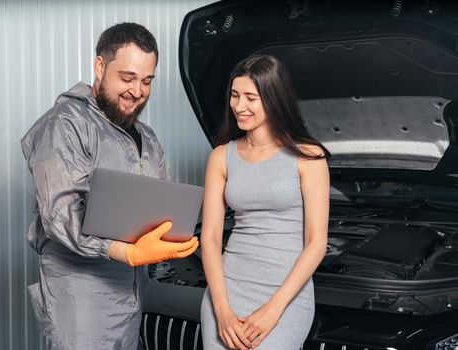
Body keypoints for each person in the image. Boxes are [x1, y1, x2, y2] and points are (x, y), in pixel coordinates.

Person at [21, 23, 199, 350]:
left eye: (147, 81)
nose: (137, 90)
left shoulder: (146, 137)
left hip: (130, 297)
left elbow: (163, 203)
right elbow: (60, 213)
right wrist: (125, 251)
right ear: (100, 67)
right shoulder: (65, 124)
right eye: (127, 78)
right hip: (80, 299)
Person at [200, 54, 330, 349]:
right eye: (235, 96)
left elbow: (316, 243)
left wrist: (272, 311)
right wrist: (222, 311)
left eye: (250, 98)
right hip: (228, 291)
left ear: (273, 99)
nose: (239, 106)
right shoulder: (221, 157)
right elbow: (209, 238)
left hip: (285, 296)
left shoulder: (309, 157)